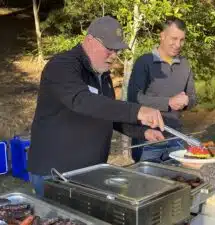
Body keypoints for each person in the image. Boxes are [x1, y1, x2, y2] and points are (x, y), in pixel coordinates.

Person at [28, 16, 165, 197]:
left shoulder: (102, 74)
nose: (114, 56)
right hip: (55, 173)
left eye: (116, 50)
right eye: (109, 49)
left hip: (91, 172)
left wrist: (142, 132)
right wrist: (137, 110)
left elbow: (107, 112)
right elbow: (81, 100)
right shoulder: (62, 66)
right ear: (90, 40)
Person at [127, 17, 196, 162]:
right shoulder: (144, 62)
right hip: (148, 139)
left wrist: (187, 101)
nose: (178, 44)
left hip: (175, 138)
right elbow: (134, 98)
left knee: (176, 182)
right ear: (162, 36)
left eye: (182, 40)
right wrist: (168, 102)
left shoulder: (185, 64)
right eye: (174, 38)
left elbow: (193, 98)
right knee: (147, 184)